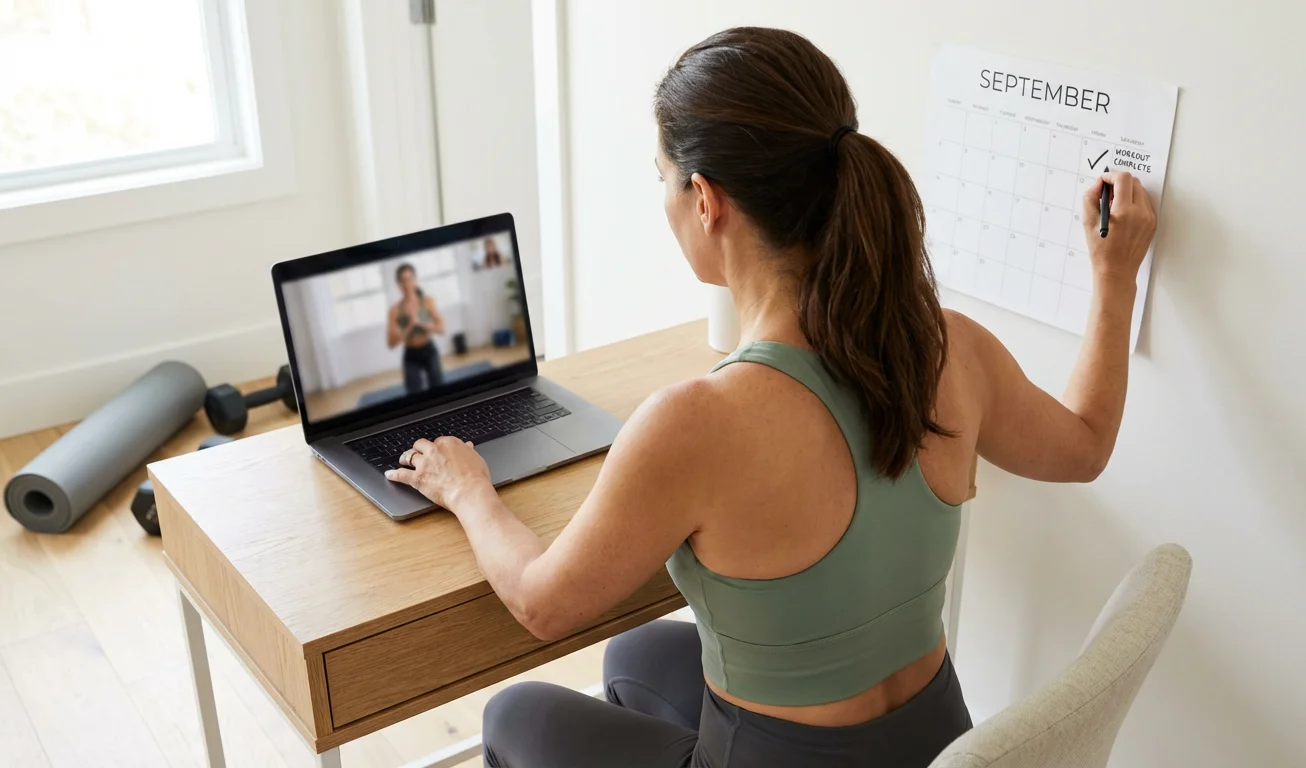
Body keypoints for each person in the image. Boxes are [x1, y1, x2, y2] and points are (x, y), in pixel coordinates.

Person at [385, 26, 1157, 768]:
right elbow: (1086, 444)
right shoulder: (949, 345)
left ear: (705, 199)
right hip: (939, 746)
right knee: (636, 653)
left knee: (513, 713)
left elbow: (542, 604)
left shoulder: (697, 421)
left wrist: (468, 488)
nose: (662, 200)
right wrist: (1114, 276)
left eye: (661, 177)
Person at [386, 263, 446, 395]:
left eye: (410, 279)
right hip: (411, 354)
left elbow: (441, 329)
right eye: (403, 280)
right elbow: (391, 343)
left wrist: (422, 324)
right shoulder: (394, 310)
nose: (407, 284)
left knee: (438, 389)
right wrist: (409, 327)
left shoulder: (427, 302)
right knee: (414, 394)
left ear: (415, 280)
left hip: (429, 350)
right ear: (398, 284)